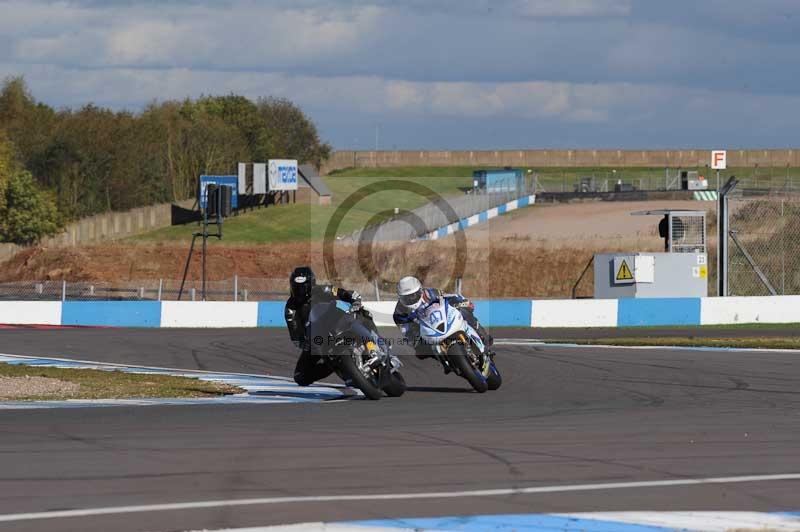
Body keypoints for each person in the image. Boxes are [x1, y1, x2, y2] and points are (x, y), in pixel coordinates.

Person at [284, 266, 364, 386]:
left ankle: (372, 342)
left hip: (337, 323)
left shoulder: (322, 290)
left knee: (361, 315)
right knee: (300, 377)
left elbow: (343, 293)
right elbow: (295, 335)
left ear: (311, 284)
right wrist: (303, 343)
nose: (300, 291)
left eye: (303, 287)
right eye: (296, 287)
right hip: (317, 339)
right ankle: (335, 366)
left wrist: (353, 301)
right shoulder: (291, 308)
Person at [393, 276, 493, 371]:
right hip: (424, 329)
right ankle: (445, 362)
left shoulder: (430, 293)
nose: (411, 299)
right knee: (421, 351)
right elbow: (406, 331)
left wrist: (462, 302)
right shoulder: (399, 312)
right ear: (400, 298)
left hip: (443, 318)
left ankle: (482, 335)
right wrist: (415, 341)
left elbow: (450, 296)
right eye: (406, 298)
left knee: (464, 311)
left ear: (420, 290)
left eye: (413, 295)